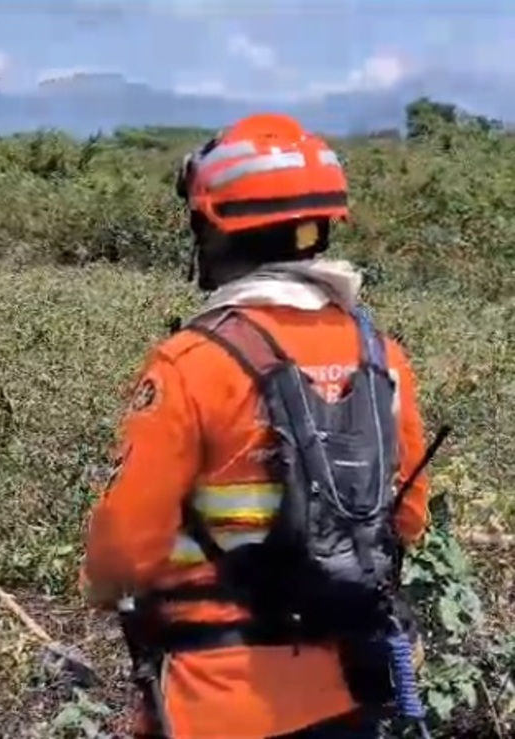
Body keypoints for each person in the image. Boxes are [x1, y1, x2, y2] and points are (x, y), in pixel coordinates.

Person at [79, 113, 433, 738]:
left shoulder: (192, 364)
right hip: (349, 691)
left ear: (213, 230)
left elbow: (122, 551)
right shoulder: (383, 356)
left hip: (218, 700)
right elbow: (406, 519)